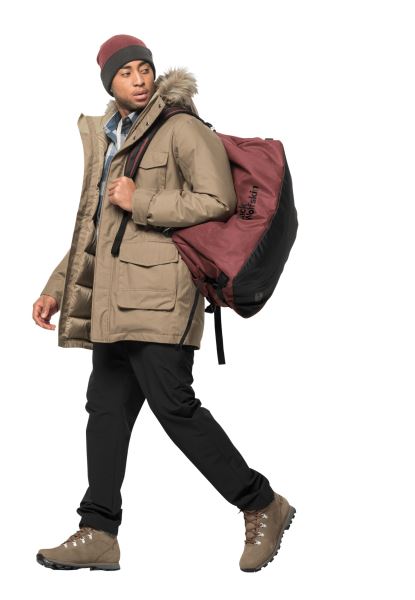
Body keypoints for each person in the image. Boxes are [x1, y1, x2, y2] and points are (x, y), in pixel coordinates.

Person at [32, 34, 296, 573]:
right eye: (125, 72)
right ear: (109, 82)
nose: (138, 79)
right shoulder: (114, 136)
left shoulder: (181, 128)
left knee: (174, 408)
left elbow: (218, 200)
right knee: (105, 411)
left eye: (144, 69)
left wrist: (142, 200)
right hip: (113, 301)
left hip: (162, 295)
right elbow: (96, 227)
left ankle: (262, 503)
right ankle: (99, 531)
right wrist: (57, 285)